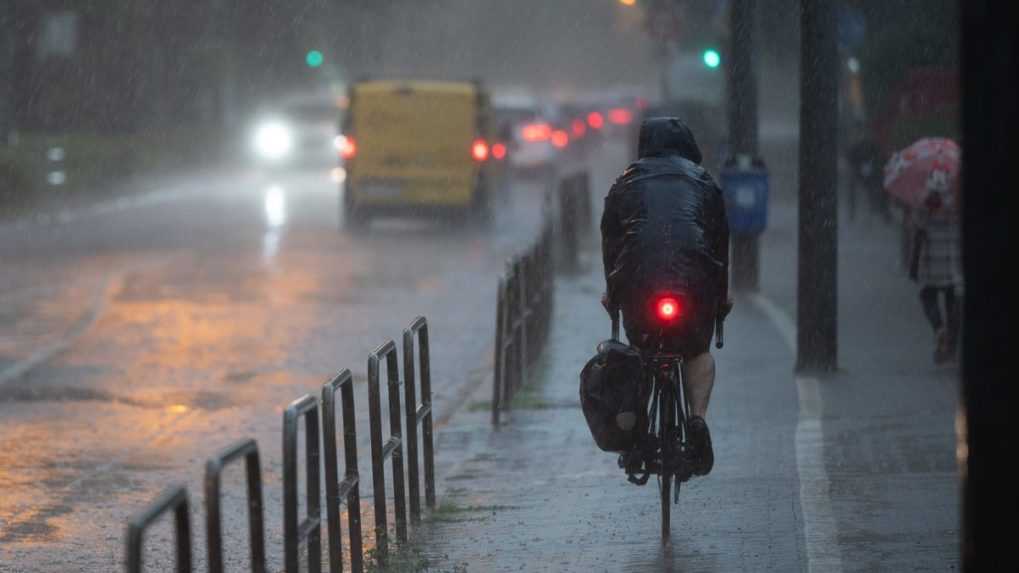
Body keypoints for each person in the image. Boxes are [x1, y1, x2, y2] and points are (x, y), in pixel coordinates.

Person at [600, 117, 731, 477]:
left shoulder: (625, 182)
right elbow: (719, 243)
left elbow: (611, 243)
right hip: (694, 282)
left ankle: (639, 434)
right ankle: (697, 419)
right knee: (696, 351)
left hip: (639, 282)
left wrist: (613, 292)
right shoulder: (704, 183)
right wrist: (721, 295)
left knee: (640, 354)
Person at [909, 170, 961, 365]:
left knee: (927, 296)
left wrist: (913, 266)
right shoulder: (954, 205)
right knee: (951, 300)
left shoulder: (923, 205)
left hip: (930, 263)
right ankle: (950, 346)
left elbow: (918, 236)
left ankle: (939, 329)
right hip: (951, 262)